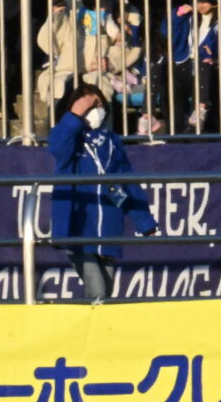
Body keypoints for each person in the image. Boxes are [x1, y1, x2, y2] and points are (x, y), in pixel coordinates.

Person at [48, 82, 156, 303]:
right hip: (78, 226)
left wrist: (144, 221)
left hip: (108, 225)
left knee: (107, 292)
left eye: (98, 105)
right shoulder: (70, 137)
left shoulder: (111, 141)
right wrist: (74, 116)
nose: (95, 110)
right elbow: (57, 148)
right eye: (89, 106)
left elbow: (127, 180)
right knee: (96, 291)